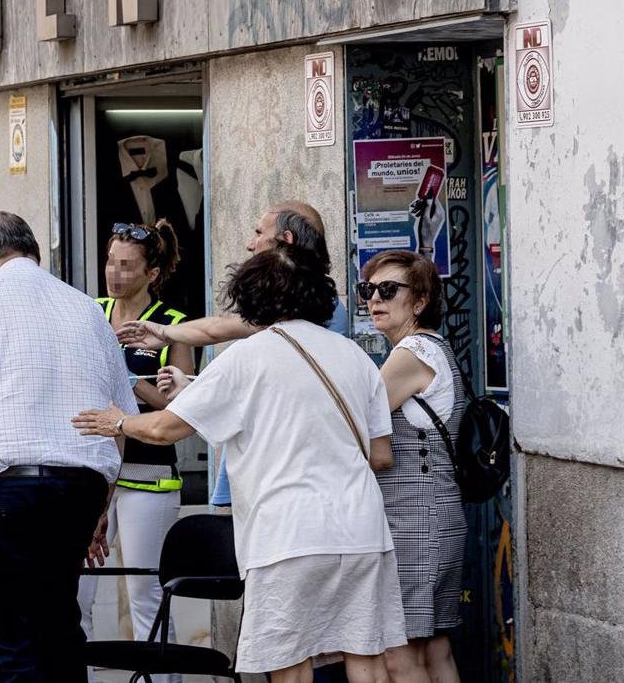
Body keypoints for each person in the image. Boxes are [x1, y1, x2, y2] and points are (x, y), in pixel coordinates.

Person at [75, 243, 404, 683]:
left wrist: (118, 422)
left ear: (251, 298)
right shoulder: (354, 357)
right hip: (362, 531)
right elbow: (381, 454)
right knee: (367, 660)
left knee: (291, 663)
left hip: (286, 535)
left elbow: (165, 430)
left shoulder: (246, 358)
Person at [0, 211, 138, 681]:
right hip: (76, 491)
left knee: (5, 642)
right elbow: (122, 420)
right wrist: (102, 504)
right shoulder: (84, 307)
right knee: (59, 631)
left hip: (5, 494)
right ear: (33, 252)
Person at [117, 201, 345, 507]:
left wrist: (115, 422)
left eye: (258, 232)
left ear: (286, 241)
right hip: (260, 487)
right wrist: (168, 342)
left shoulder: (301, 323)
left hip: (285, 496)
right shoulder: (318, 336)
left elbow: (167, 427)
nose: (250, 245)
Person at [78, 220, 194, 672]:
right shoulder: (90, 310)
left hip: (149, 475)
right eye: (110, 261)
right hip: (92, 471)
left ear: (153, 272)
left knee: (146, 595)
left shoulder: (172, 325)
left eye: (127, 266)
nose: (114, 273)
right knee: (77, 592)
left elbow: (179, 408)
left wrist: (129, 379)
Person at [361, 250, 467, 683]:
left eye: (389, 290)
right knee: (435, 650)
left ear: (419, 301)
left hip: (416, 521)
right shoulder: (436, 347)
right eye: (368, 290)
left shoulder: (413, 351)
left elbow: (357, 417)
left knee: (398, 657)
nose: (374, 299)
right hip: (438, 515)